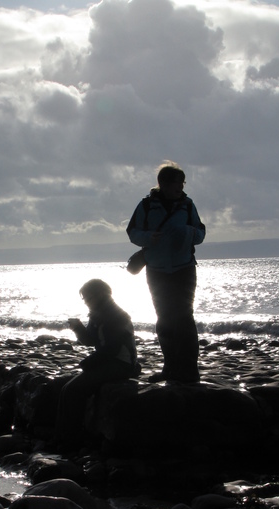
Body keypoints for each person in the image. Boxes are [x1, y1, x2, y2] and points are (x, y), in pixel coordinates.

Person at [127, 161, 206, 383]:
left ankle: (190, 370)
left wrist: (189, 232)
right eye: (176, 183)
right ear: (163, 184)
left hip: (184, 269)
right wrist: (148, 237)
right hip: (157, 270)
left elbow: (200, 233)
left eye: (182, 183)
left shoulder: (188, 205)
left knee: (184, 318)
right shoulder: (145, 206)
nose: (180, 187)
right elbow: (132, 232)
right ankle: (170, 367)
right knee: (164, 319)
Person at [55, 279, 138, 448]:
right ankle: (64, 435)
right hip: (110, 360)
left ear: (101, 295)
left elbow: (111, 349)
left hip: (121, 364)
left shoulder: (114, 316)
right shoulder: (98, 314)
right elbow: (92, 340)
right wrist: (78, 328)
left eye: (88, 298)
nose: (86, 302)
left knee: (73, 390)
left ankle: (70, 438)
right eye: (84, 299)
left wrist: (89, 363)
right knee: (66, 388)